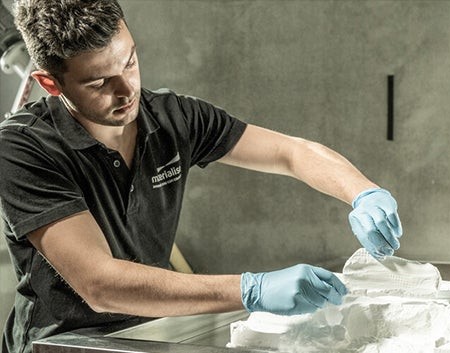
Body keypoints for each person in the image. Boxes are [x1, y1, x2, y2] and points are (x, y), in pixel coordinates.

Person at [0, 1, 403, 353]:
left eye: (130, 62)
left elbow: (290, 152)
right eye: (99, 82)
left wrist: (364, 193)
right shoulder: (22, 150)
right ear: (51, 84)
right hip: (64, 343)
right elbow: (100, 284)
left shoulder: (174, 118)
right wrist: (252, 289)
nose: (127, 91)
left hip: (150, 331)